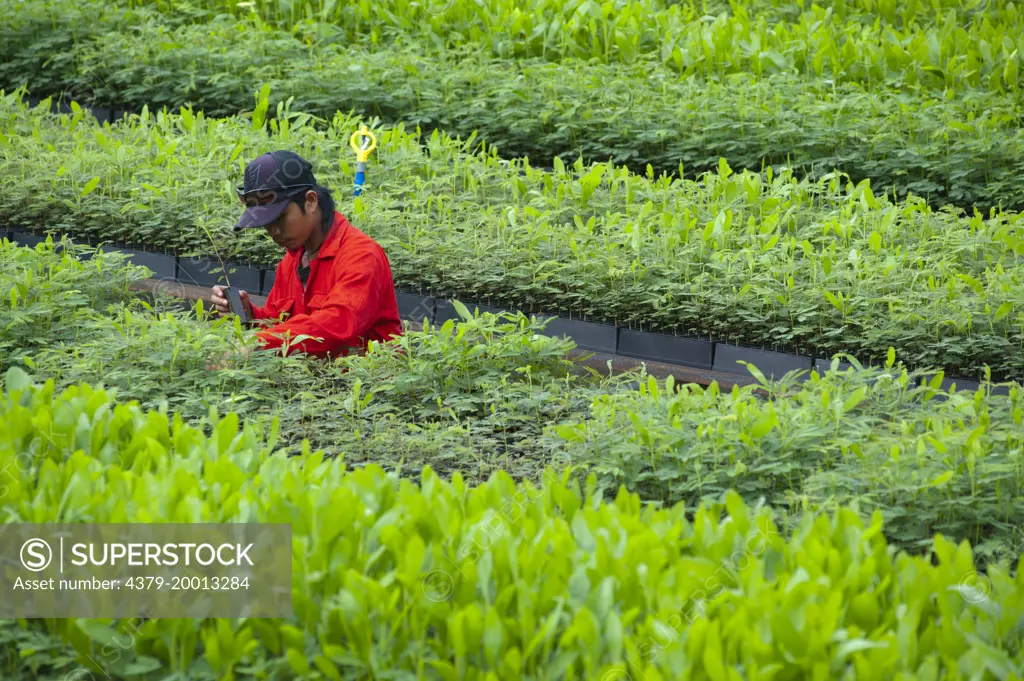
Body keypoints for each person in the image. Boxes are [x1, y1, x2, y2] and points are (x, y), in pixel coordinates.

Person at [210, 150, 402, 359]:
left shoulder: (361, 256)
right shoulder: (291, 261)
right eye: (266, 223)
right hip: (312, 385)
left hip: (365, 386)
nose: (273, 231)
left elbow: (336, 325)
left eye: (279, 218)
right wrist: (250, 315)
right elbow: (280, 321)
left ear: (311, 201)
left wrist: (258, 343)